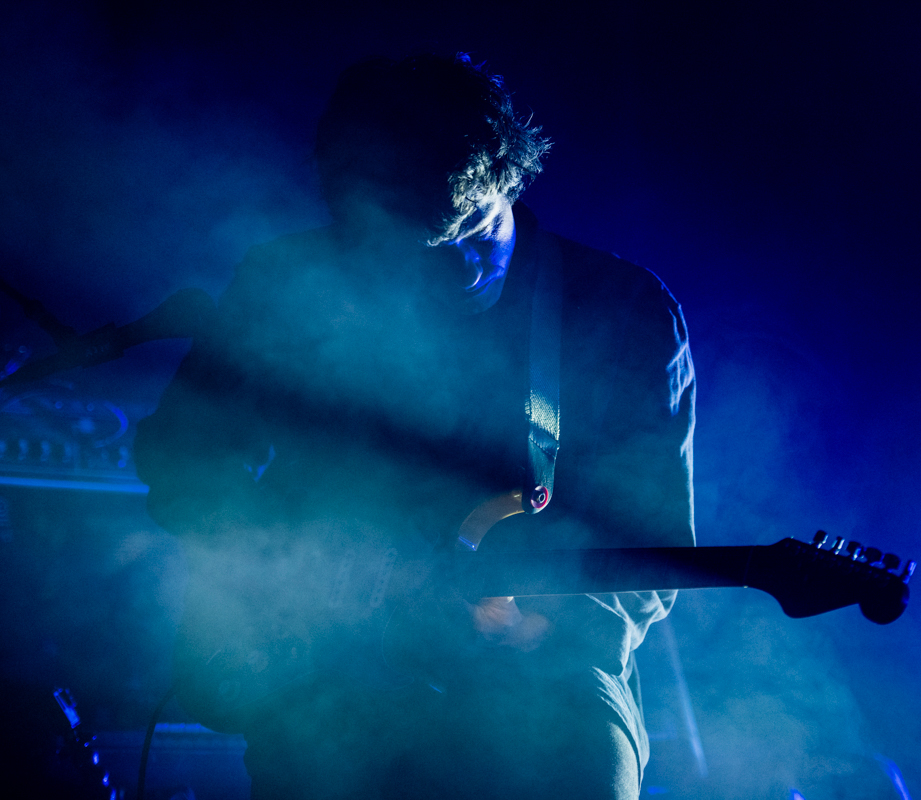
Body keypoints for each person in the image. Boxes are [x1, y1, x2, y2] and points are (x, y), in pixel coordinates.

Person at [135, 53, 695, 800]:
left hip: (540, 675)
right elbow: (182, 458)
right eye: (397, 249)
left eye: (467, 235)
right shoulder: (286, 280)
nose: (441, 271)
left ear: (508, 177)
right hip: (331, 669)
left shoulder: (622, 310)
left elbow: (652, 542)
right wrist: (294, 565)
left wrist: (543, 626)